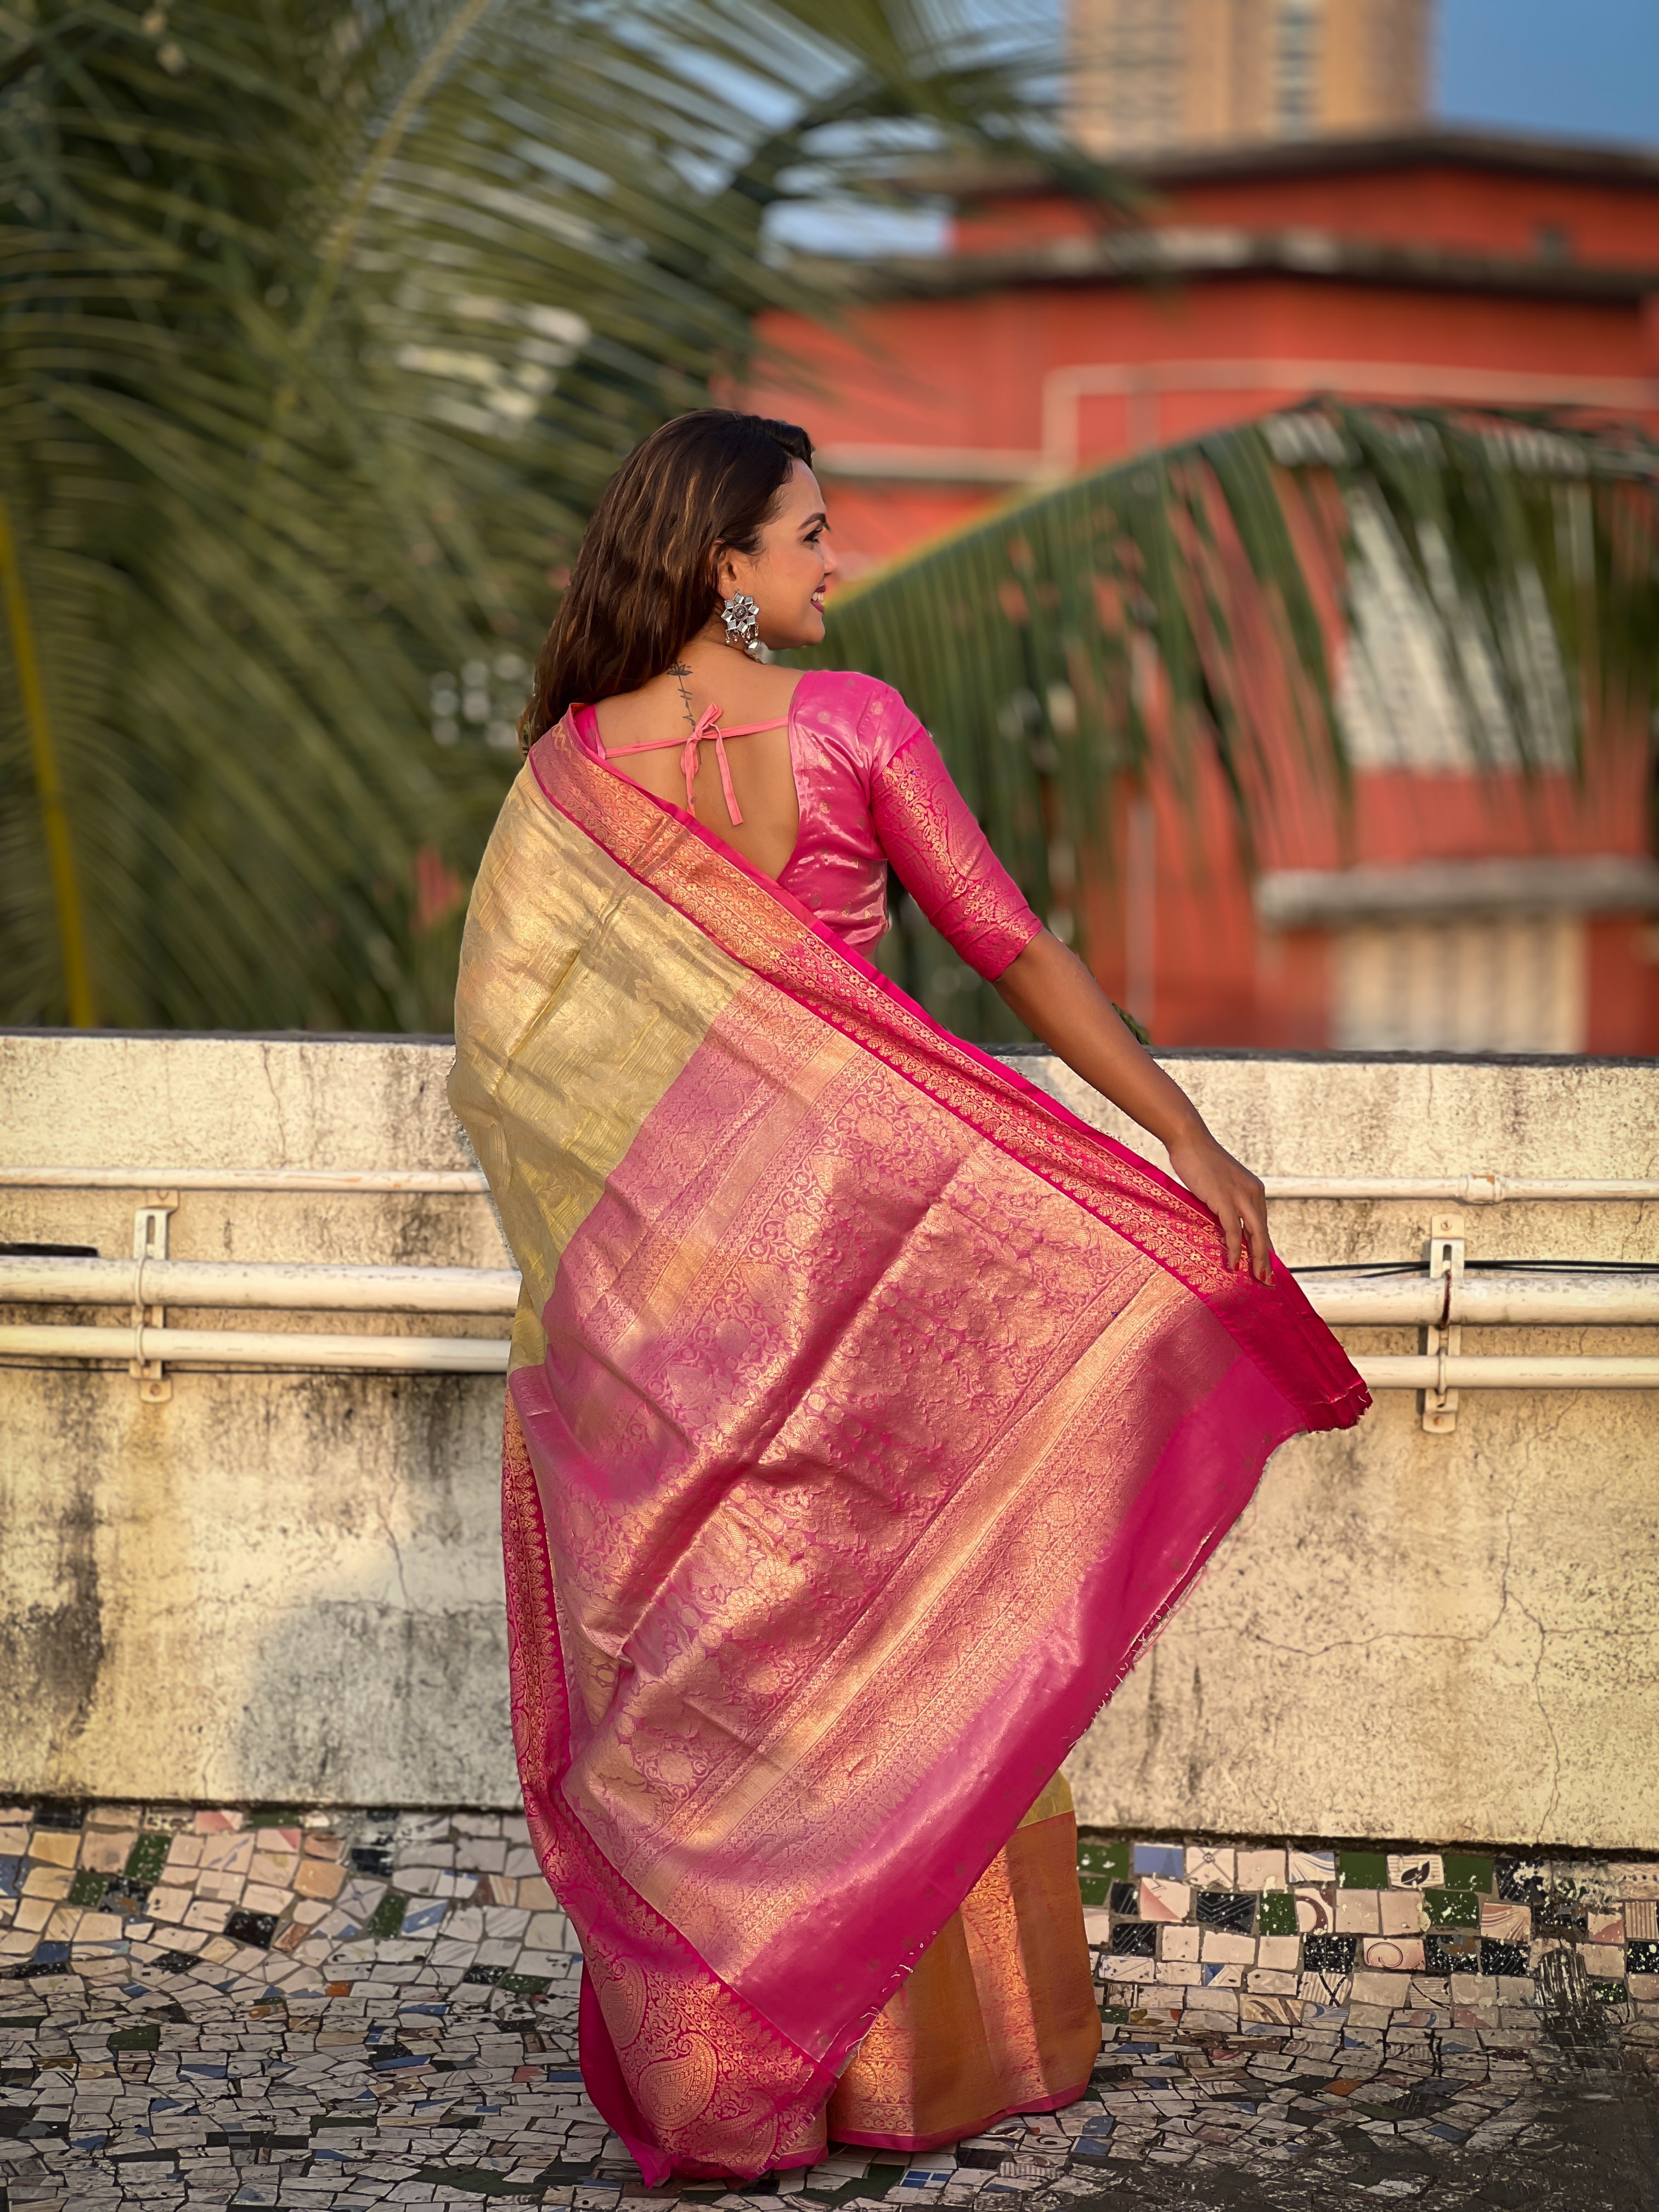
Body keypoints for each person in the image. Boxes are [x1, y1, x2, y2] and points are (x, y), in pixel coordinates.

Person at [449, 410, 1367, 2187]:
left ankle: (734, 2079)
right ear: (727, 564)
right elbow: (1013, 947)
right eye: (806, 534)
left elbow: (514, 1059)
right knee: (924, 1633)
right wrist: (1184, 1139)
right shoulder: (855, 725)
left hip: (677, 1295)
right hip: (879, 1268)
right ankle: (922, 2065)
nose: (829, 562)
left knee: (729, 1670)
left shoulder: (570, 774)